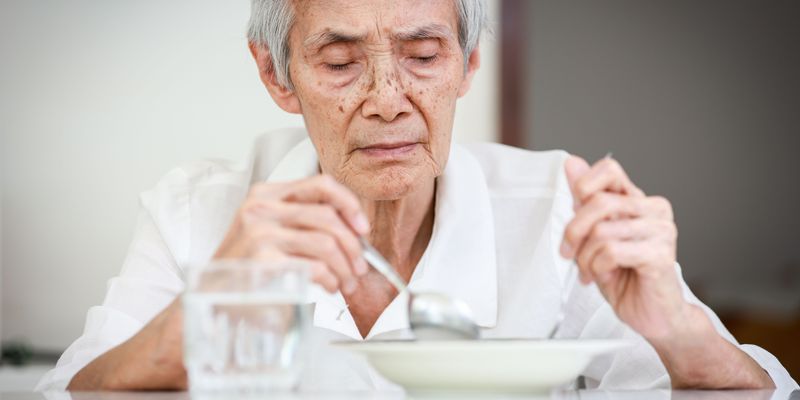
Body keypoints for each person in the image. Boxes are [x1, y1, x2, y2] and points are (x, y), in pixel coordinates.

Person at [37, 0, 798, 392]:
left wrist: (685, 335)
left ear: (468, 65)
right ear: (277, 76)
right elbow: (68, 392)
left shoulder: (559, 214)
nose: (388, 100)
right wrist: (217, 305)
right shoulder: (195, 211)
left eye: (423, 54)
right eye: (339, 62)